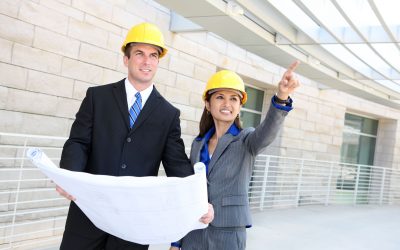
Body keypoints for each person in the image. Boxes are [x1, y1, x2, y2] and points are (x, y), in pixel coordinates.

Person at [56, 22, 213, 250]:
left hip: (134, 221)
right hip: (88, 211)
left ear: (158, 62)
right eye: (139, 53)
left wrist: (199, 202)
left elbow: (177, 163)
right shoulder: (97, 97)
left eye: (153, 55)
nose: (146, 61)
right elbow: (78, 142)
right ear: (126, 59)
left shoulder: (168, 114)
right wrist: (69, 177)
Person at [171, 61, 300, 250]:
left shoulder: (246, 140)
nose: (227, 104)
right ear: (207, 104)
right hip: (194, 230)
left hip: (228, 233)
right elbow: (189, 192)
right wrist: (176, 242)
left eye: (234, 99)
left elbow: (267, 132)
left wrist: (281, 97)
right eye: (220, 97)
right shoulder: (198, 144)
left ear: (240, 107)